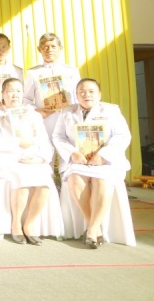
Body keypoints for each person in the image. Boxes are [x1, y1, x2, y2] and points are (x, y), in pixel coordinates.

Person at [52, 78, 132, 249]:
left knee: (101, 180)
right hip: (78, 161)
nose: (86, 95)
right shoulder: (66, 112)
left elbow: (123, 135)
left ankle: (92, 229)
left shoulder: (111, 110)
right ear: (76, 95)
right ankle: (94, 228)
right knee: (75, 179)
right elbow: (58, 137)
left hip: (105, 162)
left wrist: (103, 155)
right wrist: (72, 153)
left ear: (99, 94)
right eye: (81, 92)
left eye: (91, 91)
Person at [0, 78, 55, 245]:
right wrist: (17, 143)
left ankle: (29, 224)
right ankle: (16, 223)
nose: (14, 95)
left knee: (45, 182)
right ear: (2, 94)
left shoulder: (33, 115)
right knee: (22, 178)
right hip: (7, 161)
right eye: (10, 91)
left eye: (18, 91)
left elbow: (45, 142)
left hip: (32, 160)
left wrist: (39, 158)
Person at [24, 33, 81, 135]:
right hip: (46, 121)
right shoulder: (33, 73)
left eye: (53, 46)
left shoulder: (72, 71)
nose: (49, 50)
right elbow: (26, 98)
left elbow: (79, 95)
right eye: (45, 47)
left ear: (60, 48)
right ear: (39, 49)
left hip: (68, 119)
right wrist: (36, 112)